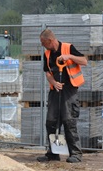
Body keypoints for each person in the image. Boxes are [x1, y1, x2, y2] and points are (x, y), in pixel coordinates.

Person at [37, 28, 88, 163]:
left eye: (43, 42)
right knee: (51, 122)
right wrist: (53, 82)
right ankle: (53, 153)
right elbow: (47, 72)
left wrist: (69, 57)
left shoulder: (68, 47)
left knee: (69, 121)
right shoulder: (47, 54)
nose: (42, 45)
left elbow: (84, 61)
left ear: (50, 40)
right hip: (55, 90)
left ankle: (75, 153)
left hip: (69, 90)